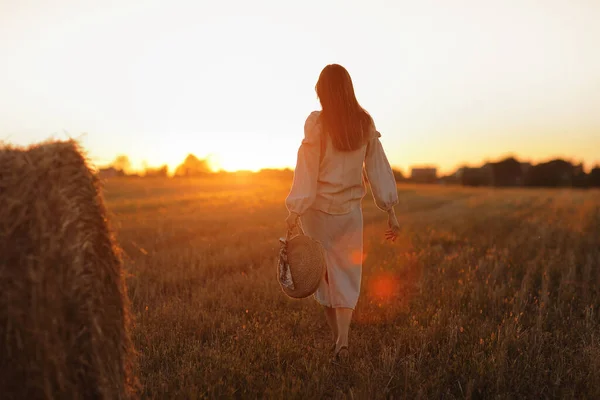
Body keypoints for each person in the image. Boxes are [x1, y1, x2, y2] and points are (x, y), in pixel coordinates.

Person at [285, 64, 400, 363]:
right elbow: (378, 167)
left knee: (322, 276)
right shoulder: (364, 122)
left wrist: (295, 210)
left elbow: (306, 170)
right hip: (350, 214)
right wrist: (390, 209)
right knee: (348, 276)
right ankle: (343, 340)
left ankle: (338, 339)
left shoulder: (317, 123)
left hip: (317, 213)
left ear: (322, 91)